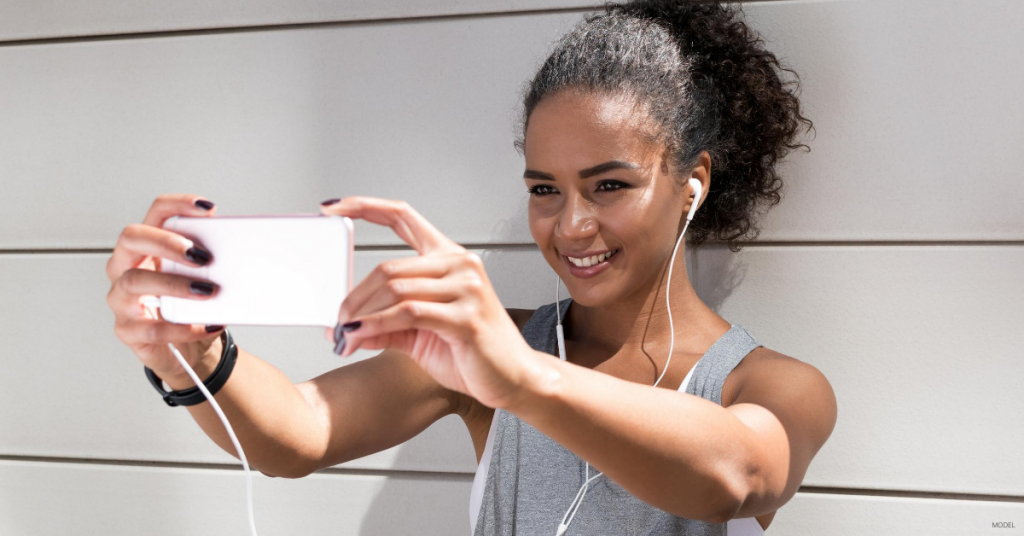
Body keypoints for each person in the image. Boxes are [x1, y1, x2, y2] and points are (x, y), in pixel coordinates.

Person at [104, 0, 836, 534]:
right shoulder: (486, 350)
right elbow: (296, 432)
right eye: (544, 190)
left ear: (692, 184)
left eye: (609, 186)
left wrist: (518, 379)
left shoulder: (772, 384)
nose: (572, 224)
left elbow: (740, 475)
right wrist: (192, 360)